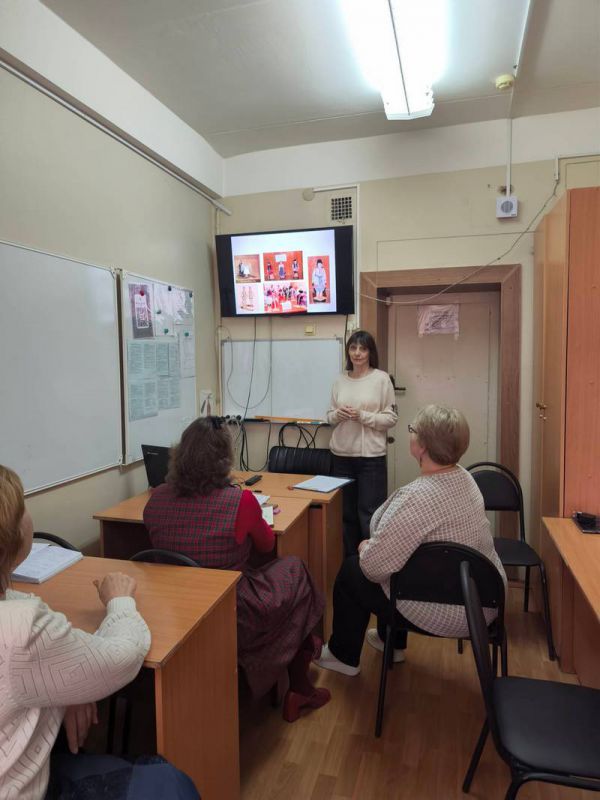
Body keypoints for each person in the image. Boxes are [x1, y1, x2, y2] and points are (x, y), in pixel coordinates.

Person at [0, 465, 198, 799]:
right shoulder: (20, 628)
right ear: (10, 536)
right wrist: (119, 600)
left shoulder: (159, 499)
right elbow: (125, 654)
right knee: (171, 784)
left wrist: (70, 688)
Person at [143, 417, 330, 722]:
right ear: (223, 458)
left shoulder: (157, 499)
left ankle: (297, 666)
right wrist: (255, 516)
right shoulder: (240, 501)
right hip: (233, 610)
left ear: (180, 455)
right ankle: (300, 683)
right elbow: (267, 546)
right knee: (296, 570)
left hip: (175, 609)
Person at [315, 405, 507, 675]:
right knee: (405, 557)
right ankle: (389, 643)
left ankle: (342, 656)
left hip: (447, 610)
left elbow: (373, 568)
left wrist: (365, 547)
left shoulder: (416, 498)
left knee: (352, 571)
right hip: (486, 599)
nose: (410, 433)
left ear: (422, 447)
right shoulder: (465, 478)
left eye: (412, 430)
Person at [327, 330, 397, 556]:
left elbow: (391, 419)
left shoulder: (381, 379)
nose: (357, 353)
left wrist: (362, 416)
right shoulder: (340, 380)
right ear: (348, 351)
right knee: (345, 516)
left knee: (370, 515)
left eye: (363, 349)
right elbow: (329, 417)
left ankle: (371, 564)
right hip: (341, 457)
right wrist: (338, 415)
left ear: (370, 352)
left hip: (371, 459)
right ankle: (349, 564)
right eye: (353, 348)